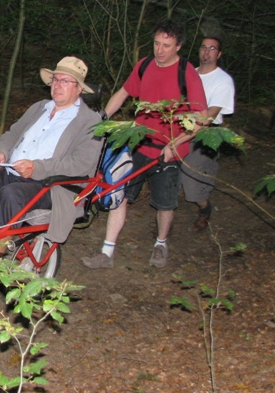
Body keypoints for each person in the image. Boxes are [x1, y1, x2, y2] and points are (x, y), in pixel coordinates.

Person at [0, 56, 102, 273]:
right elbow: (13, 133)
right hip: (12, 170)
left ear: (79, 89)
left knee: (12, 193)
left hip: (50, 185)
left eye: (65, 81)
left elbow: (81, 164)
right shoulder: (40, 108)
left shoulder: (90, 122)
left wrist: (37, 167)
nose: (57, 85)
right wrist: (1, 151)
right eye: (55, 79)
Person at [81, 18, 207, 270]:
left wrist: (175, 144)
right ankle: (107, 252)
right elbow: (124, 92)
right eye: (157, 43)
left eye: (167, 45)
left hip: (169, 150)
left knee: (165, 202)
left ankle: (160, 244)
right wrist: (101, 120)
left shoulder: (187, 73)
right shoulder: (145, 65)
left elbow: (201, 119)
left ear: (179, 47)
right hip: (138, 144)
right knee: (121, 195)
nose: (160, 50)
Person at [180, 36, 235, 232]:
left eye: (212, 49)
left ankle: (205, 207)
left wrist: (186, 133)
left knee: (191, 174)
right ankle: (165, 218)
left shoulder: (223, 80)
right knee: (166, 171)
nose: (206, 52)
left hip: (206, 134)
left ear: (219, 54)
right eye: (203, 47)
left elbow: (210, 115)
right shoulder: (189, 74)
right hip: (182, 127)